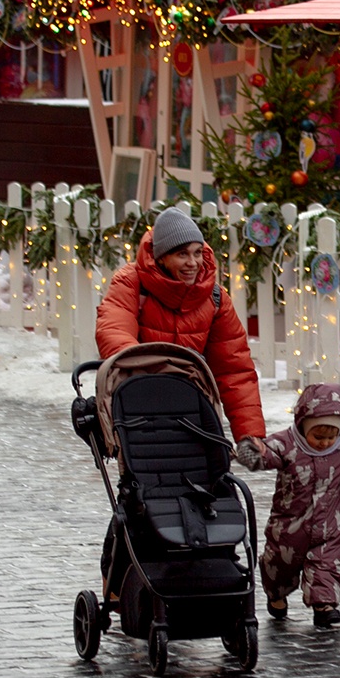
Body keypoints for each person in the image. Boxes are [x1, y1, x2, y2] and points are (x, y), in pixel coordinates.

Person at [94, 206, 265, 596]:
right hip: (139, 414)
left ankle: (202, 574)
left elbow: (234, 369)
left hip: (192, 413)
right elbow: (115, 336)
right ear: (161, 257)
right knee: (142, 494)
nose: (191, 263)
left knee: (205, 489)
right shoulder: (130, 284)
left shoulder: (214, 297)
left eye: (196, 253)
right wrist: (158, 378)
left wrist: (249, 434)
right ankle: (119, 579)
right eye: (181, 254)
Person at [235, 383, 340, 628]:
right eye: (318, 436)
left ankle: (324, 605)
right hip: (290, 525)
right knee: (279, 565)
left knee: (326, 564)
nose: (325, 442)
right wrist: (250, 451)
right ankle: (276, 595)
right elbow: (267, 454)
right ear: (303, 425)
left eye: (331, 436)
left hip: (332, 525)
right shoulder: (287, 444)